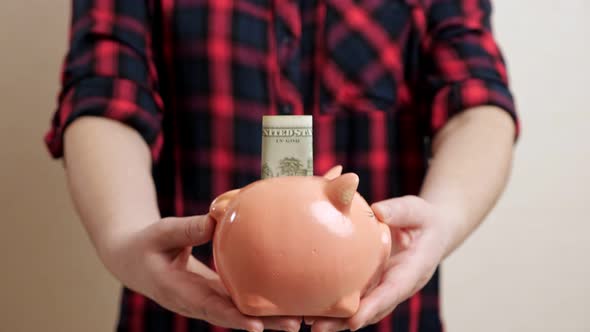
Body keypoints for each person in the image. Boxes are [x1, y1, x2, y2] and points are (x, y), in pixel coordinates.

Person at [45, 0, 518, 331]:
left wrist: (445, 218)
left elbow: (476, 98)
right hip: (181, 301)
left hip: (389, 312)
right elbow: (105, 89)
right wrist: (123, 234)